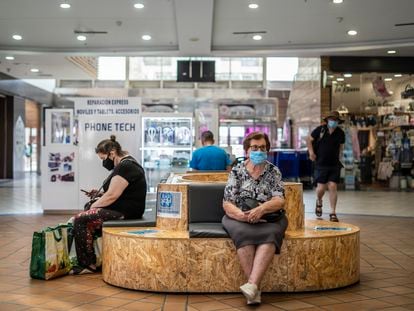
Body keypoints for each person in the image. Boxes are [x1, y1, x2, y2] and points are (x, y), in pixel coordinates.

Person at [222, 132, 287, 305]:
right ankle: (254, 289)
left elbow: (279, 199)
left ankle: (252, 286)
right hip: (239, 216)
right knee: (243, 234)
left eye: (262, 148)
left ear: (267, 150)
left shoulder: (273, 171)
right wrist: (242, 216)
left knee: (271, 235)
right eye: (255, 147)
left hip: (269, 218)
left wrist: (262, 209)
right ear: (247, 150)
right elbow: (228, 202)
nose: (259, 151)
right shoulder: (237, 171)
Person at [73, 135, 147, 273]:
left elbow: (112, 196)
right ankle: (99, 256)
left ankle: (87, 264)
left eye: (103, 159)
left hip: (127, 212)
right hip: (126, 208)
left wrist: (92, 207)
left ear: (112, 153)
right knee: (87, 212)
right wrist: (99, 194)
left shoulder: (125, 167)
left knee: (81, 219)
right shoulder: (126, 164)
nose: (103, 163)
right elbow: (119, 192)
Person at [306, 110, 345, 222]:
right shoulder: (320, 130)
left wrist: (340, 158)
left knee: (333, 186)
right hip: (320, 163)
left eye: (335, 120)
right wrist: (311, 152)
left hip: (334, 164)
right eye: (331, 119)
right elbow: (309, 140)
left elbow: (341, 147)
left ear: (338, 121)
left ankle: (333, 212)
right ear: (327, 120)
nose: (333, 121)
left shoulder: (340, 133)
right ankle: (319, 200)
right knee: (321, 189)